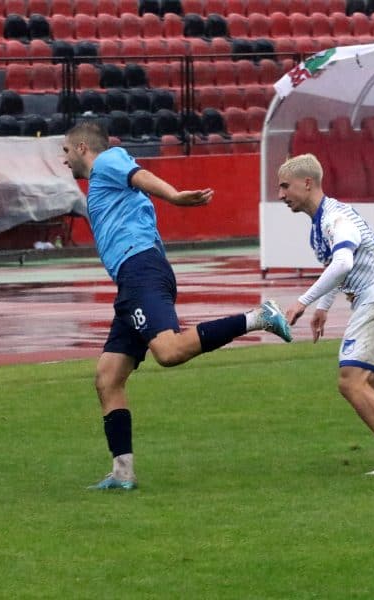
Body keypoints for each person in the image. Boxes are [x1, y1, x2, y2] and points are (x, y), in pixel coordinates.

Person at [63, 121, 292, 490]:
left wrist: (174, 196)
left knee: (168, 351)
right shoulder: (103, 183)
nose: (64, 160)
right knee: (108, 378)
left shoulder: (107, 161)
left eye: (65, 151)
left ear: (82, 149)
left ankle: (259, 317)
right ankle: (122, 474)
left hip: (140, 268)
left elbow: (141, 176)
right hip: (131, 279)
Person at [280, 153, 374, 475]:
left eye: (285, 186)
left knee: (350, 383)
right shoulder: (321, 222)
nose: (281, 195)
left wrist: (304, 301)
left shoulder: (335, 218)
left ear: (307, 183)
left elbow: (344, 263)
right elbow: (339, 267)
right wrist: (323, 307)